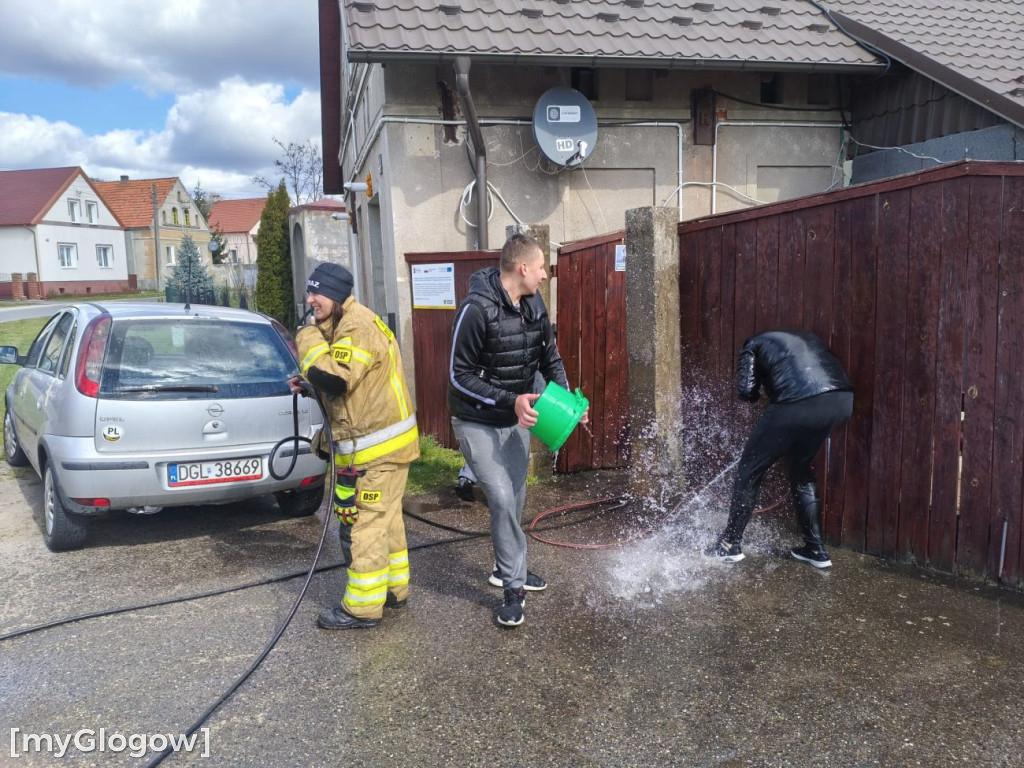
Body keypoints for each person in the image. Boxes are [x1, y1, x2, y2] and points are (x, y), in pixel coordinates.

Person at [447, 232, 585, 627]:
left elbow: (549, 358)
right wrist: (511, 401)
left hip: (516, 417)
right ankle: (513, 587)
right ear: (522, 268)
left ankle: (505, 566)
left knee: (519, 495)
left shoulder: (534, 303)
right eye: (541, 267)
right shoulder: (476, 310)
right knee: (503, 498)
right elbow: (459, 377)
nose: (544, 275)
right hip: (476, 420)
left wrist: (569, 405)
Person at [290, 262, 420, 629]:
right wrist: (309, 382)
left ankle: (362, 609)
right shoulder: (346, 323)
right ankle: (393, 590)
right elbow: (348, 384)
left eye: (316, 293)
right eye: (309, 292)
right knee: (386, 522)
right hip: (382, 450)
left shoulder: (357, 325)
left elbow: (337, 379)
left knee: (365, 525)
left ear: (334, 294)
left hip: (380, 452)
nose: (310, 299)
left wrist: (307, 337)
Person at [706, 329, 853, 569]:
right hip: (840, 400)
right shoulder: (809, 338)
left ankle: (729, 545)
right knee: (800, 468)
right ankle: (816, 549)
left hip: (798, 401)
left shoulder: (752, 344)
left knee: (749, 470)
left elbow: (746, 391)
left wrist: (761, 392)